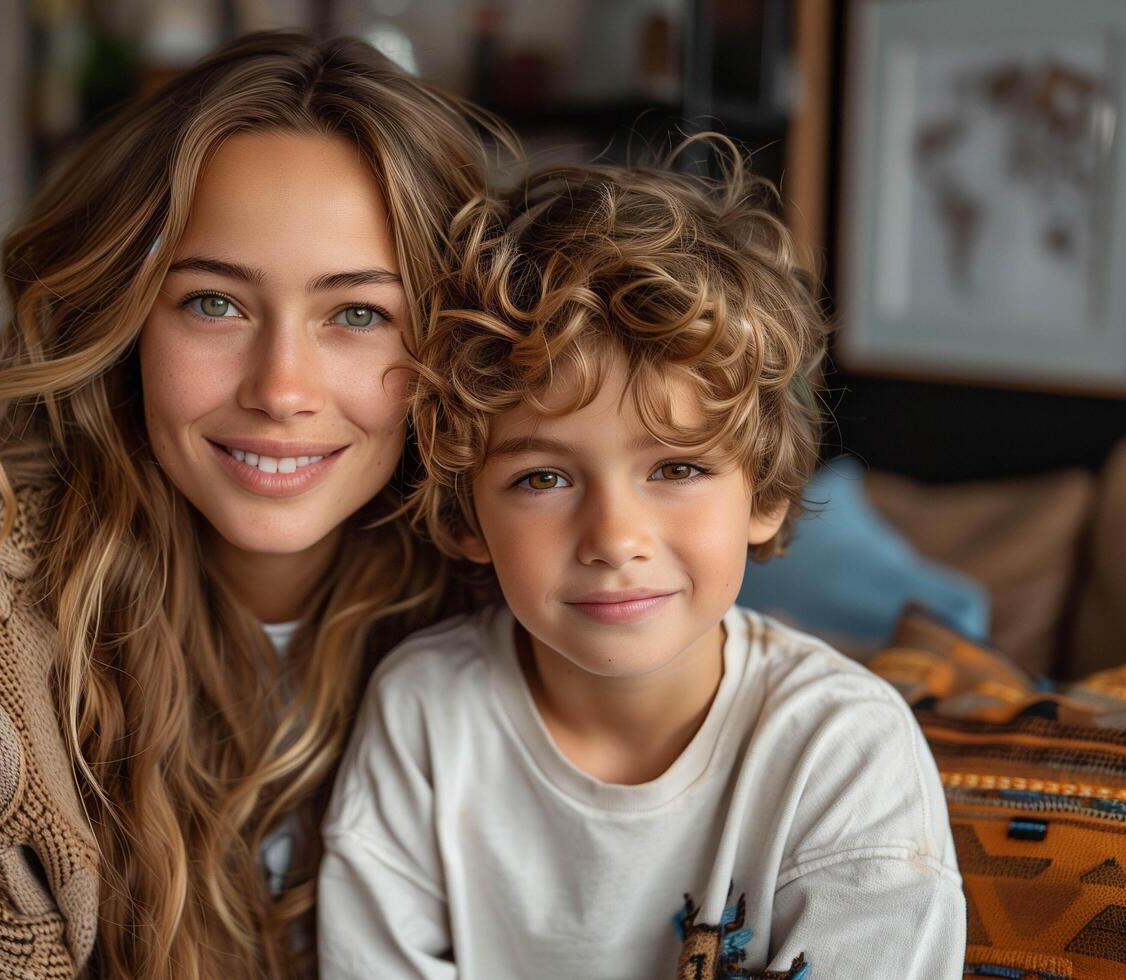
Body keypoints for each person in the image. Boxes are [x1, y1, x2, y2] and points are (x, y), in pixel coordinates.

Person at [0, 32, 510, 980]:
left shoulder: (495, 579)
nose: (281, 389)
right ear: (124, 314)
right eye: (214, 303)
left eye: (358, 314)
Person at [318, 148, 967, 979]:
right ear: (468, 512)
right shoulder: (424, 717)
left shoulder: (844, 751)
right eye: (543, 477)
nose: (614, 538)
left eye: (678, 468)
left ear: (765, 492)